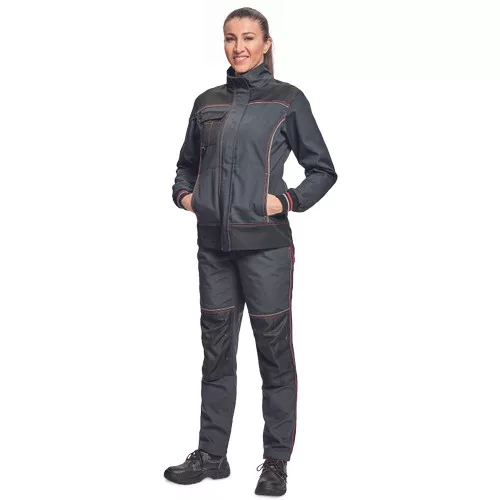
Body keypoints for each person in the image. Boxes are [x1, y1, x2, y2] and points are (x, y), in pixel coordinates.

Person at [164, 7, 338, 497]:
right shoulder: (206, 102)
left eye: (247, 38)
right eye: (229, 38)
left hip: (266, 250)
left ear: (266, 44)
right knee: (216, 353)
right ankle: (212, 455)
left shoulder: (287, 100)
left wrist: (286, 201)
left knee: (274, 354)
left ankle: (275, 461)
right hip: (214, 250)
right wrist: (187, 197)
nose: (238, 47)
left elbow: (322, 169)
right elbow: (184, 165)